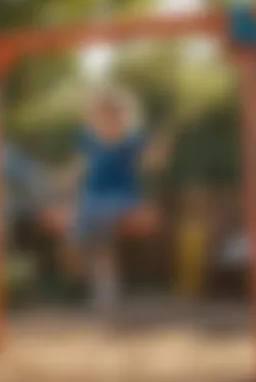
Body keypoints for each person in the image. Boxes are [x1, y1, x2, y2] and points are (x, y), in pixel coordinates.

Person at [42, 84, 172, 311]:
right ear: (94, 118)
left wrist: (161, 148)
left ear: (125, 117)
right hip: (92, 199)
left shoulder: (132, 140)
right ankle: (102, 287)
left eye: (114, 115)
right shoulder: (89, 141)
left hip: (122, 198)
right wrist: (59, 182)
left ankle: (103, 287)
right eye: (102, 116)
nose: (109, 121)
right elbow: (77, 170)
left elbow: (152, 165)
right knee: (92, 242)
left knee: (96, 231)